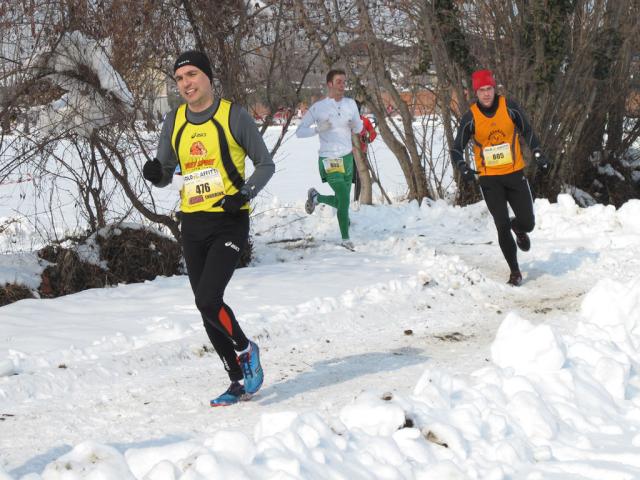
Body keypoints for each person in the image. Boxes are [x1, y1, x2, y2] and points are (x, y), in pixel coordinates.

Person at [142, 51, 275, 406]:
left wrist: (244, 193)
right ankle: (236, 381)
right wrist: (157, 175)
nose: (185, 83)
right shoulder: (175, 120)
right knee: (205, 307)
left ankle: (247, 350)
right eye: (179, 78)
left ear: (208, 78)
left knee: (208, 298)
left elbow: (265, 165)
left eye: (191, 75)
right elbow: (166, 170)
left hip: (229, 220)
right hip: (193, 223)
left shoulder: (234, 116)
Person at [450, 69, 550, 287]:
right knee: (501, 224)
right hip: (489, 179)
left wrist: (538, 152)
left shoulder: (510, 107)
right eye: (482, 90)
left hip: (514, 174)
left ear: (495, 89)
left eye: (489, 89)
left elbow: (528, 131)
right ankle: (515, 271)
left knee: (528, 222)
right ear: (475, 92)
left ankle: (519, 228)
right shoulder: (471, 117)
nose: (486, 94)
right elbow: (456, 148)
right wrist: (463, 167)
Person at [296, 69, 363, 249]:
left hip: (347, 158)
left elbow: (358, 129)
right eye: (339, 82)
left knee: (343, 201)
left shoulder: (350, 104)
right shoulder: (318, 108)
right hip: (328, 159)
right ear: (330, 84)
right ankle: (345, 239)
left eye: (344, 82)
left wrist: (356, 124)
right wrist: (318, 129)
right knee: (343, 197)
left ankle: (317, 197)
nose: (343, 85)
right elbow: (299, 132)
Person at [353, 101, 378, 202]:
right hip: (348, 153)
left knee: (359, 178)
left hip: (361, 153)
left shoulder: (365, 121)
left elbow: (373, 134)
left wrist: (367, 139)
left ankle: (355, 199)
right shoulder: (347, 122)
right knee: (347, 177)